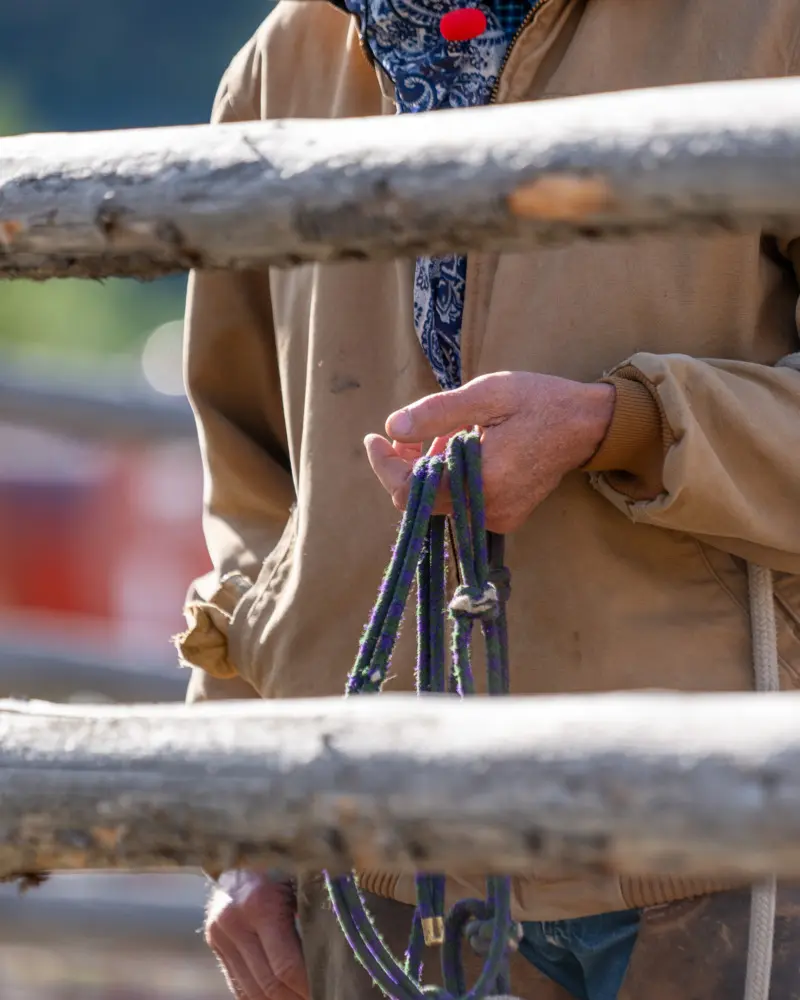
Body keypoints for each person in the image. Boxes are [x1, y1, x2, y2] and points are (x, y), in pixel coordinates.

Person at [176, 0, 800, 996]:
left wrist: (620, 424)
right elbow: (251, 490)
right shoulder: (278, 63)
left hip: (714, 848)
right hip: (369, 862)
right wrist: (239, 819)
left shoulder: (767, 26)